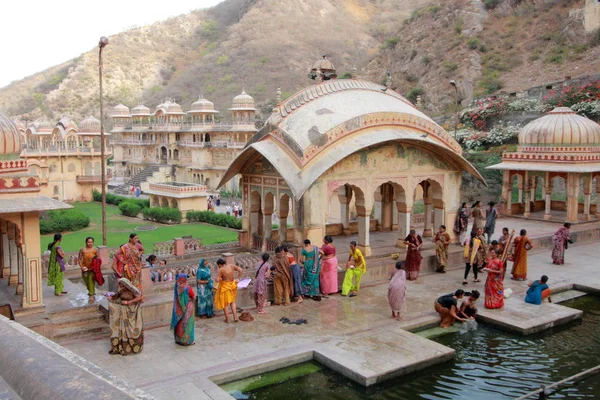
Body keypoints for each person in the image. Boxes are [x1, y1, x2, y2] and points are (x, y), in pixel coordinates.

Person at [108, 278, 143, 355]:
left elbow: (140, 298)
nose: (119, 286)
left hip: (130, 312)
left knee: (130, 330)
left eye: (121, 284)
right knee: (121, 329)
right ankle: (120, 347)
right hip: (123, 313)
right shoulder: (121, 291)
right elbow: (115, 297)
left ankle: (132, 346)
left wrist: (129, 302)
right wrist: (110, 298)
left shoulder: (132, 291)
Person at [215, 258, 243, 323]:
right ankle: (235, 317)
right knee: (232, 302)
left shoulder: (221, 270)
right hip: (232, 285)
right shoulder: (231, 265)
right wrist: (238, 278)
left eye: (218, 265)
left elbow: (217, 279)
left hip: (225, 287)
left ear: (219, 264)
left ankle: (227, 319)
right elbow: (241, 270)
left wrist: (217, 279)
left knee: (225, 304)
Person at [171, 274, 196, 346]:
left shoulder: (177, 287)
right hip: (188, 307)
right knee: (188, 323)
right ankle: (187, 341)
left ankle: (178, 339)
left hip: (178, 309)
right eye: (186, 278)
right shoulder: (187, 288)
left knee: (179, 323)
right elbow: (194, 296)